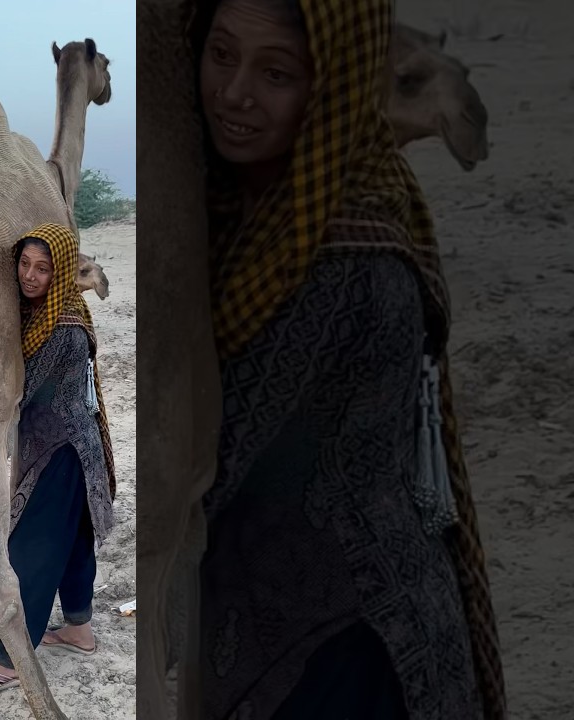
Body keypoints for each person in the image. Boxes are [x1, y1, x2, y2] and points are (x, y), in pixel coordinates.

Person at [189, 0, 506, 718]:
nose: (234, 93)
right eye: (221, 54)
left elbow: (207, 468)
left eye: (276, 73)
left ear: (334, 83)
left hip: (345, 650)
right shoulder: (271, 211)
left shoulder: (339, 257)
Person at [0, 223, 117, 695]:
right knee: (73, 541)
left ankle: (9, 660)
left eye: (43, 268)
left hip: (59, 451)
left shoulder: (59, 328)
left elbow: (19, 390)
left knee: (33, 547)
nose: (30, 276)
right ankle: (78, 630)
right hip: (77, 444)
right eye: (24, 264)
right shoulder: (60, 309)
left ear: (61, 271)